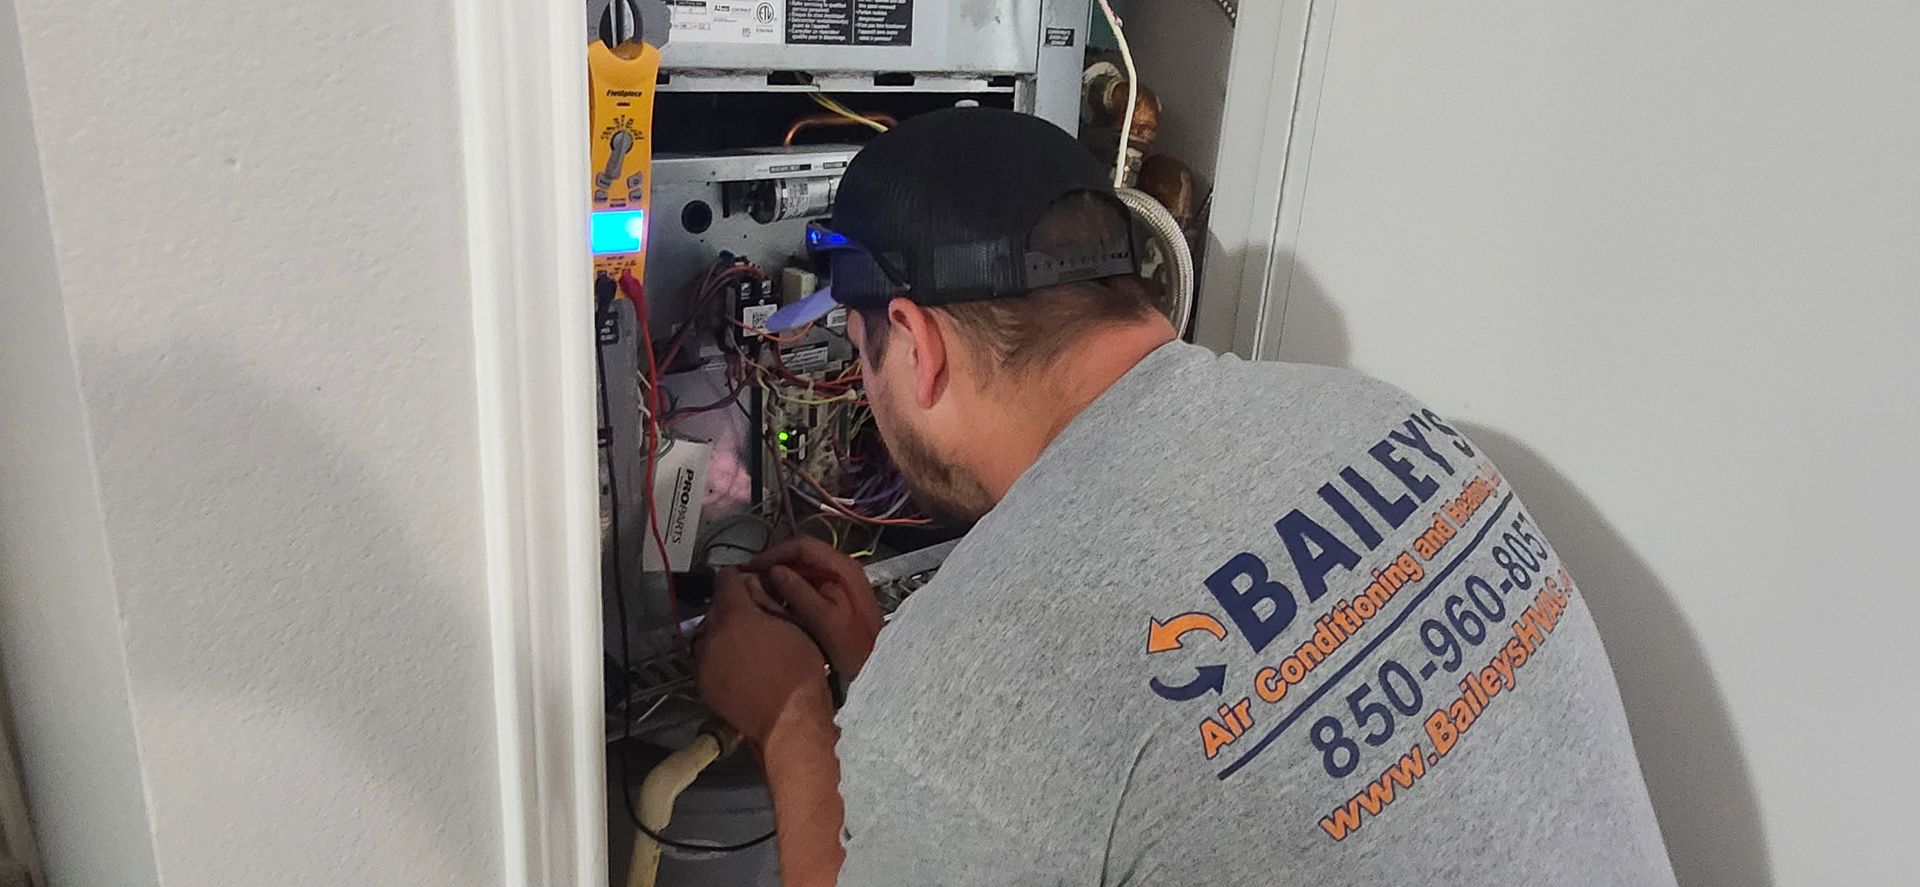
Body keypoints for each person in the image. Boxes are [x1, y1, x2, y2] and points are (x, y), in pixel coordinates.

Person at [693, 108, 1676, 886]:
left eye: (860, 354)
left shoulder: (988, 662)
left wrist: (789, 715)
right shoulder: (1384, 416)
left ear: (918, 339)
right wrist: (890, 684)